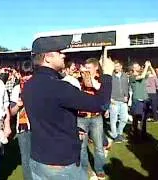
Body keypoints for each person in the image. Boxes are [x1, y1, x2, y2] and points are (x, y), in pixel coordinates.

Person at [22, 40, 114, 180]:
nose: (63, 55)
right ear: (47, 57)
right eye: (59, 52)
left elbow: (50, 116)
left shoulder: (29, 85)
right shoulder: (59, 87)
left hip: (38, 160)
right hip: (61, 165)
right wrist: (107, 75)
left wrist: (72, 130)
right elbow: (101, 104)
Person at [77, 58, 107, 179]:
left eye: (89, 68)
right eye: (86, 68)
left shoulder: (101, 79)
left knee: (99, 146)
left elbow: (101, 90)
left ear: (95, 68)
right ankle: (84, 169)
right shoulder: (78, 78)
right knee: (82, 147)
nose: (87, 70)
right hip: (81, 117)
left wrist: (90, 78)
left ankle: (99, 169)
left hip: (96, 117)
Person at [10, 72, 33, 180]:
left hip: (40, 126)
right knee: (26, 158)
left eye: (29, 74)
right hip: (23, 127)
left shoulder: (39, 86)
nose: (26, 77)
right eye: (24, 74)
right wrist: (18, 105)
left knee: (42, 157)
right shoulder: (17, 89)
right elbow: (12, 112)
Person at [109, 60, 129, 142]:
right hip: (114, 101)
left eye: (117, 66)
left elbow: (126, 87)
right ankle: (115, 136)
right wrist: (110, 98)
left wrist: (126, 95)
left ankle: (119, 133)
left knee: (124, 119)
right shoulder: (111, 76)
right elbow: (108, 87)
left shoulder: (125, 75)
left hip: (123, 101)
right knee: (113, 120)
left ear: (121, 67)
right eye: (115, 66)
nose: (116, 68)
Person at [129, 61, 150, 141]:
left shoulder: (142, 74)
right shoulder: (132, 77)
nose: (139, 67)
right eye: (137, 66)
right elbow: (142, 76)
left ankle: (144, 135)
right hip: (137, 99)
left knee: (144, 119)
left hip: (145, 99)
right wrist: (146, 66)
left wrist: (150, 66)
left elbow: (154, 75)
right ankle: (135, 135)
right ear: (133, 68)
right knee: (136, 118)